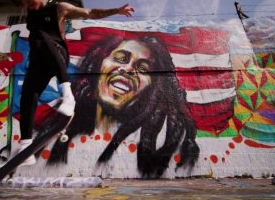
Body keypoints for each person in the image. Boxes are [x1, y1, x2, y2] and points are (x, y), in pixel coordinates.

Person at [45, 28, 200, 178]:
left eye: (143, 68)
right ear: (99, 64)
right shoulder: (60, 126)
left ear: (151, 87)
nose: (128, 69)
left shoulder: (146, 136)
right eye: (120, 58)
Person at [12, 0, 135, 166]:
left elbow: (90, 12)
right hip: (39, 61)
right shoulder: (29, 12)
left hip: (58, 56)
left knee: (39, 34)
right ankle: (27, 146)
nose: (25, 2)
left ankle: (68, 96)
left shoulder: (59, 7)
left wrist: (116, 10)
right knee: (28, 94)